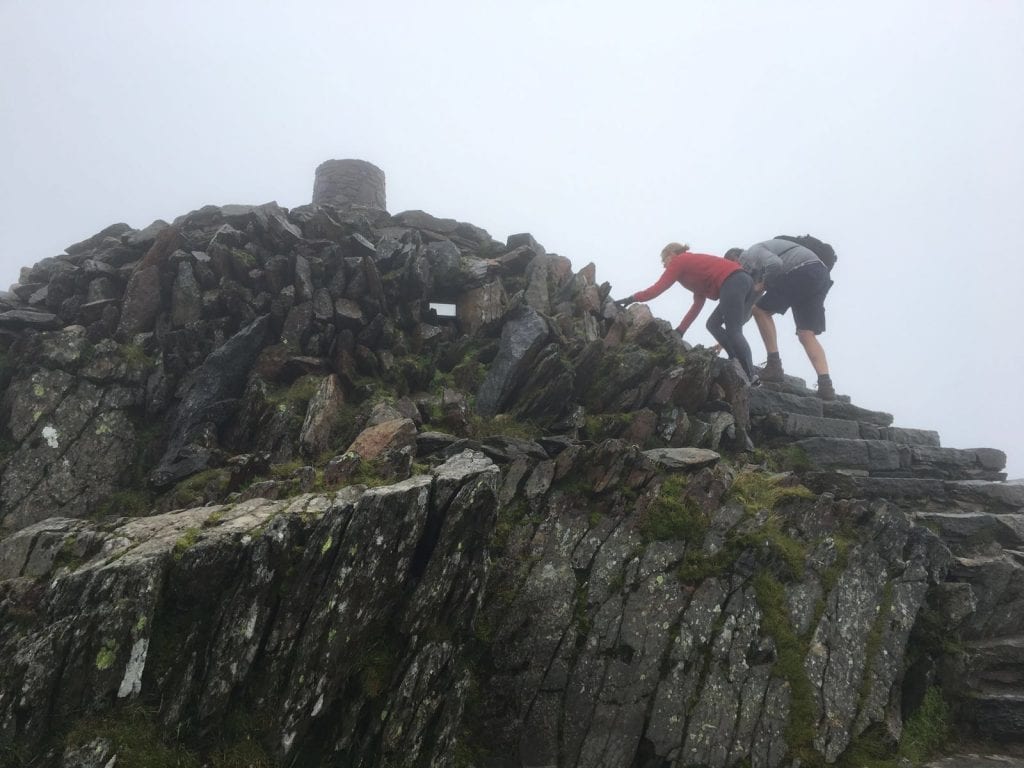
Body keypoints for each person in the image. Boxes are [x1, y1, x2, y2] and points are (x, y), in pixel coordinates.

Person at [615, 242, 758, 383]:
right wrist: (680, 331)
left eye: (664, 260)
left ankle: (750, 375)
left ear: (672, 254)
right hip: (743, 282)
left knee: (734, 331)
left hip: (734, 280)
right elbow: (697, 304)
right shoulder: (692, 270)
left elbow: (659, 287)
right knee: (712, 324)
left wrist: (632, 298)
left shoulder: (680, 260)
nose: (664, 265)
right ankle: (735, 360)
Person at [728, 239, 836, 400]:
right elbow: (752, 308)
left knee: (761, 310)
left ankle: (774, 365)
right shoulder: (758, 269)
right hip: (820, 275)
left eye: (732, 266)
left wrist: (762, 285)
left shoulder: (752, 252)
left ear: (736, 258)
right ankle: (826, 386)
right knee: (806, 333)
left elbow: (775, 264)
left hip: (803, 270)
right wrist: (729, 335)